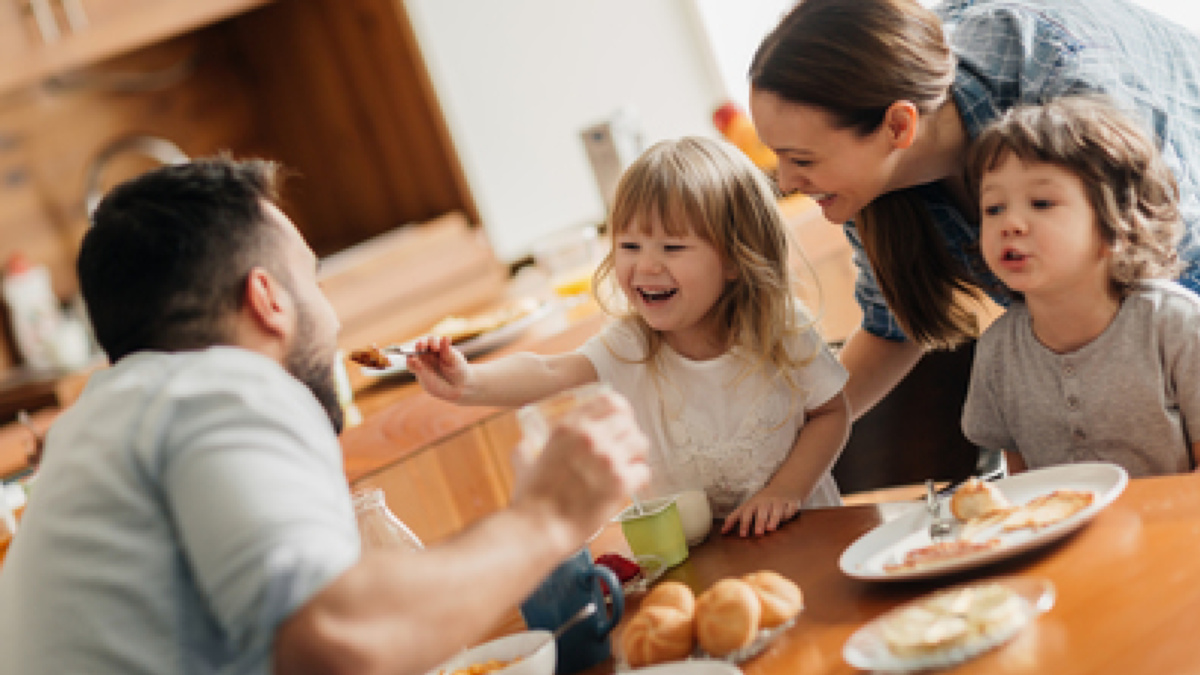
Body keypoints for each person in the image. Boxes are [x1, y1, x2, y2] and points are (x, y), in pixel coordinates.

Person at [0, 157, 651, 675]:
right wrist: (545, 519)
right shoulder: (219, 389)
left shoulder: (110, 424)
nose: (333, 317)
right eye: (313, 281)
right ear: (267, 299)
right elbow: (341, 642)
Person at [748, 0, 1200, 422]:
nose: (786, 183)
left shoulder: (1068, 94)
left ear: (899, 125)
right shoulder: (874, 187)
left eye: (803, 159)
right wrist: (784, 436)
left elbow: (1169, 277)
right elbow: (892, 327)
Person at [409, 136, 850, 538]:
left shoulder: (781, 329)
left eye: (672, 248)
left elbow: (832, 414)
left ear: (735, 259)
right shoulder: (631, 346)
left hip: (804, 535)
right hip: (696, 561)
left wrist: (787, 490)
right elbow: (550, 369)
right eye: (630, 247)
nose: (647, 267)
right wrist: (469, 382)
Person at [962, 97, 1200, 476]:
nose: (1010, 224)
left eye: (1040, 202)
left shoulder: (1178, 324)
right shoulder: (996, 352)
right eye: (993, 208)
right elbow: (1019, 485)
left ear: (1116, 223)